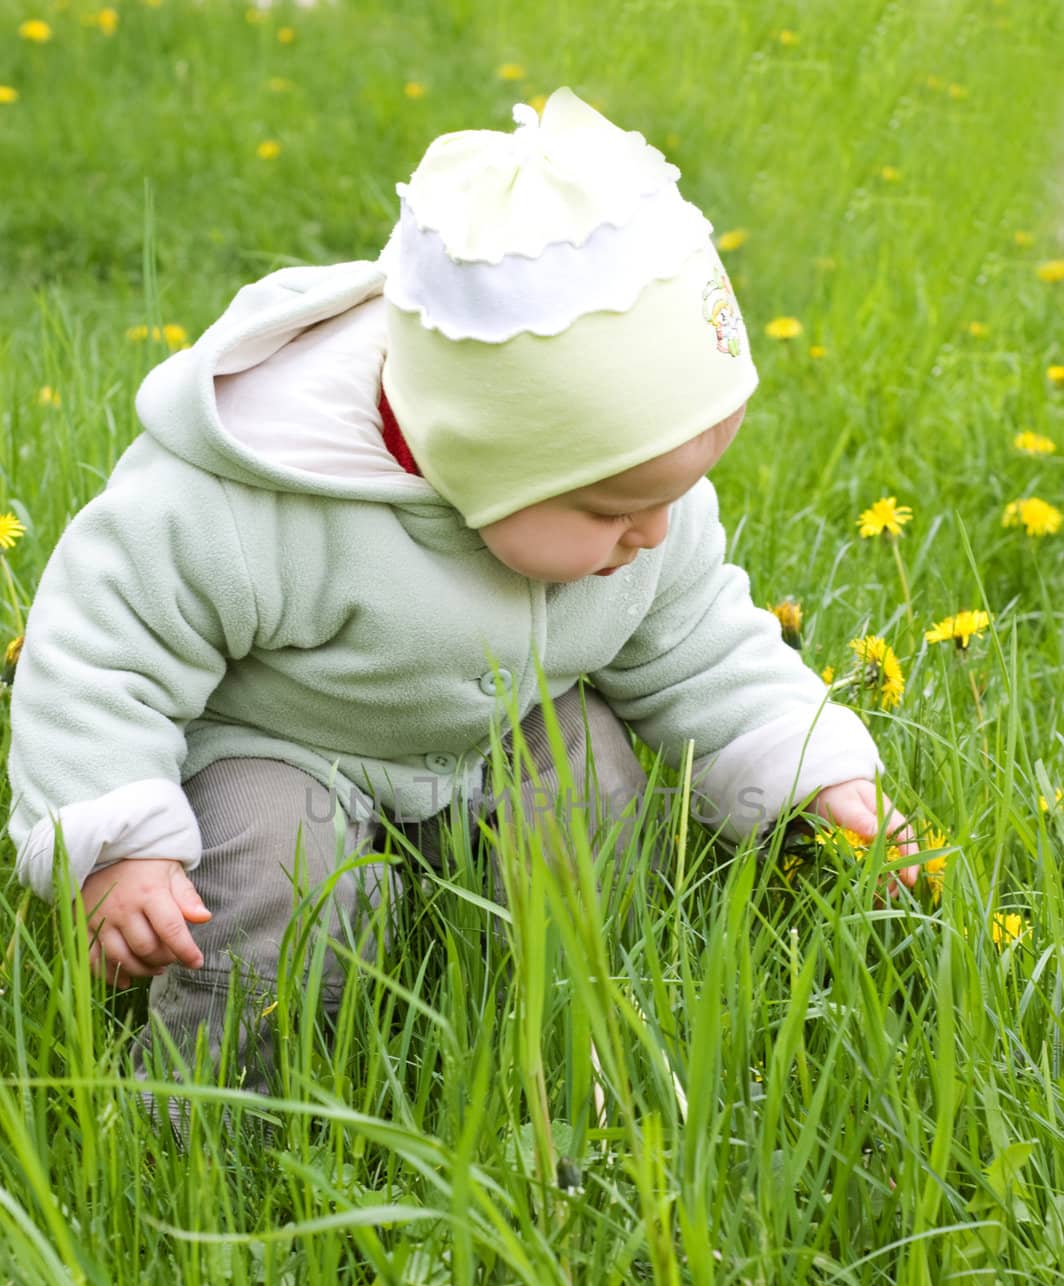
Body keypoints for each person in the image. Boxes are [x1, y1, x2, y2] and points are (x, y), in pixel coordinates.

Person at [6, 88, 918, 1080]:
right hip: (287, 743)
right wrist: (115, 843)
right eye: (611, 510)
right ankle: (205, 1114)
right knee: (277, 881)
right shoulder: (255, 500)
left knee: (593, 787)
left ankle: (569, 1031)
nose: (651, 533)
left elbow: (702, 639)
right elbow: (100, 647)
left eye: (675, 492)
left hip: (501, 725)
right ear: (471, 460)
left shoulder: (638, 507)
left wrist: (811, 774)